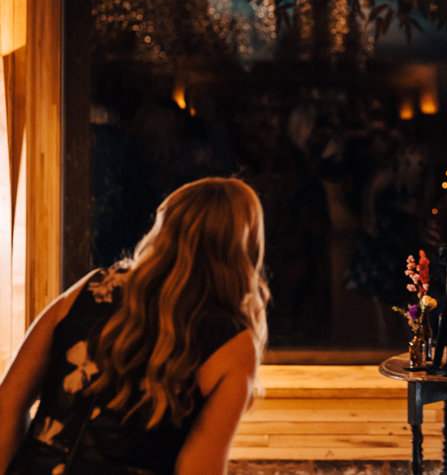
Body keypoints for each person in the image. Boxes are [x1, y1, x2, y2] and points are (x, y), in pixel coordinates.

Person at [0, 177, 269, 475]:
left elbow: (6, 407)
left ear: (163, 229)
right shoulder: (231, 344)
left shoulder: (91, 289)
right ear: (244, 249)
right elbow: (198, 468)